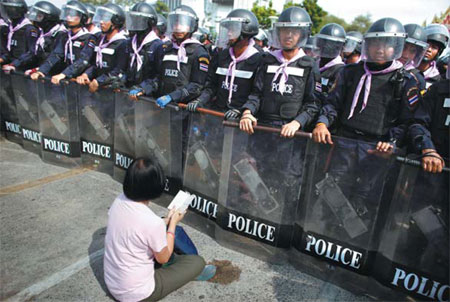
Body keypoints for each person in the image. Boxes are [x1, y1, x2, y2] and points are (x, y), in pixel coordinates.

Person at [311, 18, 422, 227]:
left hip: (375, 152)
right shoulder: (350, 72)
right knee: (332, 195)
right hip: (344, 145)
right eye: (375, 43)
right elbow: (332, 103)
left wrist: (392, 143)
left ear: (396, 47)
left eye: (387, 44)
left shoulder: (405, 81)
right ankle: (324, 239)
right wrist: (322, 123)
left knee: (363, 203)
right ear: (367, 45)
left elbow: (406, 122)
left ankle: (352, 250)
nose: (380, 49)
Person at [104, 157, 208, 302]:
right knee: (197, 262)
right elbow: (163, 257)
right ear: (155, 186)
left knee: (164, 240)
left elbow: (136, 226)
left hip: (113, 283)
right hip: (137, 294)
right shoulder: (152, 223)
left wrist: (167, 220)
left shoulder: (118, 201)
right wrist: (172, 224)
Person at [239, 6, 320, 137]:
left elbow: (313, 104)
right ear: (278, 33)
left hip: (291, 134)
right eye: (285, 31)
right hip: (261, 129)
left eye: (294, 31)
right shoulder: (267, 60)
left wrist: (297, 123)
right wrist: (247, 112)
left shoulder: (309, 66)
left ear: (302, 34)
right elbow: (256, 94)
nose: (289, 35)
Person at [186, 8, 263, 119]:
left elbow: (258, 93)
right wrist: (200, 100)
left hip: (242, 121)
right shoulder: (222, 56)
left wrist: (244, 110)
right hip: (218, 116)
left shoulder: (259, 58)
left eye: (233, 29)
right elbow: (211, 86)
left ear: (246, 31)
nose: (229, 33)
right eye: (228, 30)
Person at [155, 5, 209, 108]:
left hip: (183, 109)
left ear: (192, 26)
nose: (178, 28)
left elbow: (197, 86)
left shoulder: (199, 52)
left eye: (183, 24)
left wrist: (172, 96)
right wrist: (145, 88)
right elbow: (158, 77)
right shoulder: (167, 49)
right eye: (175, 23)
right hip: (163, 107)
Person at [30, 0, 96, 83]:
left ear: (82, 18)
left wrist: (64, 74)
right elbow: (56, 55)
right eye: (67, 14)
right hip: (66, 81)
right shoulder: (64, 36)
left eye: (72, 15)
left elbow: (83, 60)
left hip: (80, 82)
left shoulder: (89, 38)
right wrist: (41, 71)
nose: (68, 18)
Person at [75, 3, 127, 93]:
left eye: (106, 19)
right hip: (99, 92)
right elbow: (97, 66)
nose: (101, 22)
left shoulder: (123, 43)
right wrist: (86, 74)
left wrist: (99, 81)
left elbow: (119, 70)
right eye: (101, 18)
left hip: (114, 94)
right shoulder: (100, 40)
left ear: (115, 22)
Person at [2, 1, 64, 74]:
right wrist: (14, 64)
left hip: (52, 75)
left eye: (39, 16)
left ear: (48, 18)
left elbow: (56, 58)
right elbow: (34, 53)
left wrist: (39, 70)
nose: (35, 19)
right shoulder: (42, 34)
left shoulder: (60, 35)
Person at [123, 2, 164, 100]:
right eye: (133, 19)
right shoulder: (129, 43)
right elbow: (125, 68)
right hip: (128, 95)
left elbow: (159, 76)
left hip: (147, 98)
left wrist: (143, 88)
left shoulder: (158, 46)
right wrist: (121, 80)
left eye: (139, 20)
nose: (135, 23)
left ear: (150, 22)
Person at [0, 0, 38, 70]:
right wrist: (2, 58)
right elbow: (7, 50)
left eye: (12, 8)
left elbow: (31, 52)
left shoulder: (29, 29)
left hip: (21, 69)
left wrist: (14, 64)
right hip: (7, 67)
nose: (9, 11)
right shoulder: (8, 28)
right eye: (7, 8)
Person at [314, 23, 346, 99]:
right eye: (323, 42)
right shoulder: (313, 63)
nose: (325, 46)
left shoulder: (341, 71)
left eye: (330, 44)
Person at [418, 23, 449, 88]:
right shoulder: (403, 69)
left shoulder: (439, 81)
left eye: (434, 47)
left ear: (439, 52)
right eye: (426, 45)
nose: (429, 49)